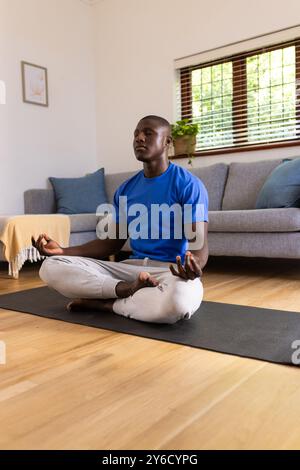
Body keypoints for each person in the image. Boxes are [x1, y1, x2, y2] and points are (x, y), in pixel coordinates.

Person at [32, 115, 209, 324]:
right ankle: (126, 291)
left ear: (167, 142)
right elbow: (111, 243)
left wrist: (193, 265)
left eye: (148, 133)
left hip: (168, 271)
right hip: (130, 270)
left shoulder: (188, 185)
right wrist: (62, 251)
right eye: (136, 134)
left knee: (180, 301)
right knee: (51, 266)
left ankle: (106, 304)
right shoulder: (126, 189)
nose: (139, 138)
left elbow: (199, 247)